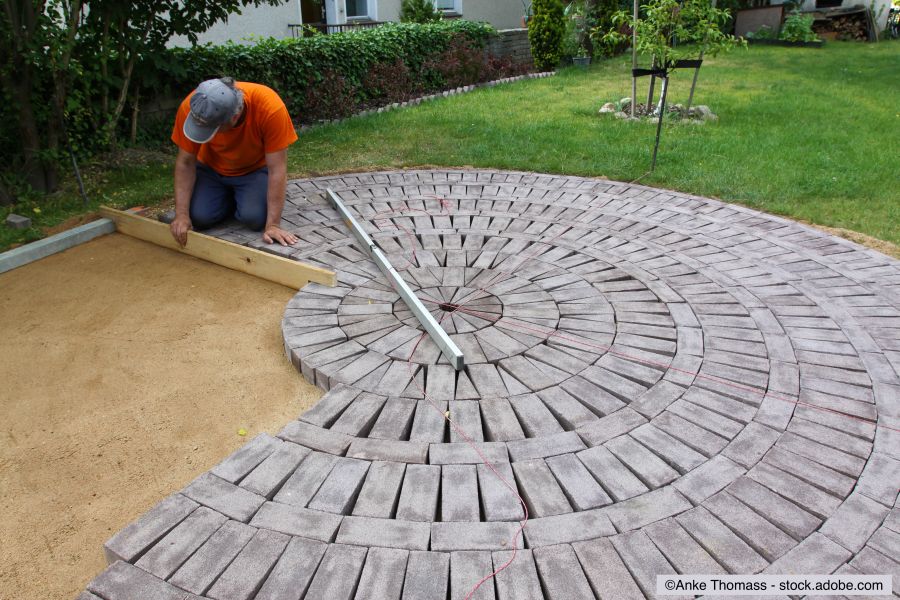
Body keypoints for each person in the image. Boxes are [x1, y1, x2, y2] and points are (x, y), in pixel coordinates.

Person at [169, 77, 299, 247]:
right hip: (210, 169)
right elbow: (185, 162)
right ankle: (233, 198)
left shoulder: (270, 108)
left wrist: (273, 225)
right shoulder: (195, 107)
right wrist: (181, 215)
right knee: (199, 217)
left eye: (212, 129)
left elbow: (277, 169)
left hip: (253, 170)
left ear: (235, 116)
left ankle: (241, 198)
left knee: (254, 219)